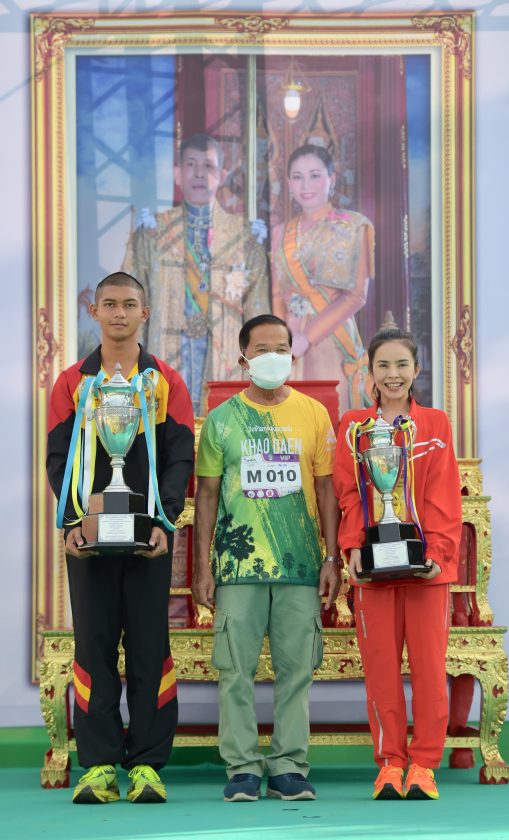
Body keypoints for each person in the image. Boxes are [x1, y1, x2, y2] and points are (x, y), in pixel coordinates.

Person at [46, 271, 194, 804]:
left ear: (144, 313)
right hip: (88, 541)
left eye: (129, 304)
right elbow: (59, 460)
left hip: (148, 538)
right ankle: (100, 765)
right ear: (95, 312)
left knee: (151, 647)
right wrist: (72, 522)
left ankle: (149, 764)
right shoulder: (71, 383)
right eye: (109, 304)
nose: (119, 313)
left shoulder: (166, 382)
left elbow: (179, 458)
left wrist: (163, 520)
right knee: (94, 646)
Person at [192, 314, 341, 802]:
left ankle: (289, 766)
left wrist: (332, 558)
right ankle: (241, 768)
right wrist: (203, 568)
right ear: (243, 359)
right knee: (235, 669)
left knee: (297, 671)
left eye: (281, 348)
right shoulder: (221, 420)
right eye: (262, 349)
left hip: (300, 566)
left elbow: (326, 491)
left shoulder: (314, 415)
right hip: (239, 566)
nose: (273, 357)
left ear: (292, 355)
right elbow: (206, 496)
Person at [334, 328, 462, 800]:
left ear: (416, 369)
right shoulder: (354, 426)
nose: (393, 374)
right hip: (374, 570)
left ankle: (424, 765)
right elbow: (348, 493)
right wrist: (353, 548)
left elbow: (444, 493)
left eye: (401, 365)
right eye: (383, 365)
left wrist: (438, 553)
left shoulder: (435, 424)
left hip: (428, 571)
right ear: (369, 371)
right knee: (381, 672)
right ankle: (390, 764)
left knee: (429, 670)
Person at [123, 133, 270, 415]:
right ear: (177, 173)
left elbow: (258, 315)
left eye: (208, 166)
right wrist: (129, 368)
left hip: (225, 360)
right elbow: (132, 306)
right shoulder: (153, 233)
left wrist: (261, 376)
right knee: (167, 431)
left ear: (222, 175)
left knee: (221, 433)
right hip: (165, 357)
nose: (199, 173)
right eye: (191, 164)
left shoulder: (244, 237)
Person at [271, 143, 374, 411]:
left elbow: (357, 295)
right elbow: (277, 294)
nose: (306, 185)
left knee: (331, 420)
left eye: (315, 175)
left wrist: (307, 337)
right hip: (290, 343)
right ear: (289, 184)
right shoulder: (280, 233)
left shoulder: (355, 226)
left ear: (332, 179)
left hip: (331, 339)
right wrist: (283, 339)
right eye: (297, 177)